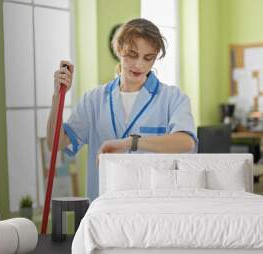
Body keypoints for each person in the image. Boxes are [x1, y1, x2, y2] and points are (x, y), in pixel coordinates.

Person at [47, 18, 197, 201]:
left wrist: (130, 143)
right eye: (132, 55)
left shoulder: (173, 98)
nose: (139, 64)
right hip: (103, 208)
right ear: (118, 49)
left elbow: (186, 142)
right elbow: (56, 143)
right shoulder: (93, 100)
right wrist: (57, 97)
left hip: (152, 208)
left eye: (148, 58)